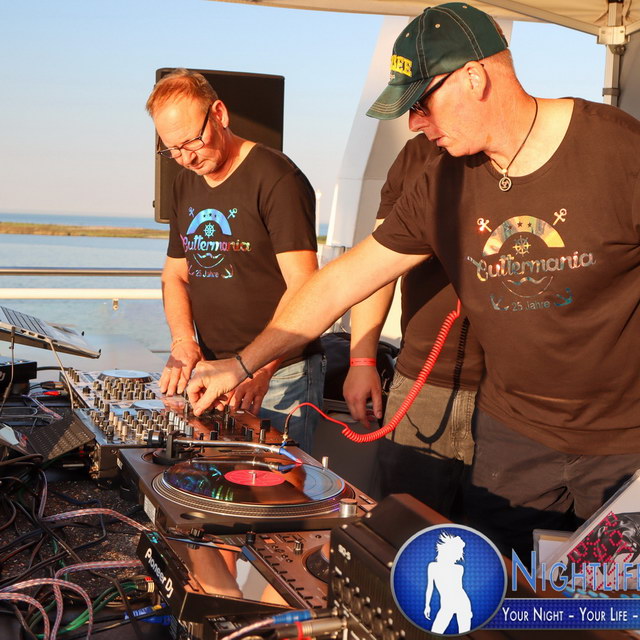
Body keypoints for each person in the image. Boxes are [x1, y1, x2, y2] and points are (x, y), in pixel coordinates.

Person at [185, 3, 640, 558]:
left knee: (615, 594)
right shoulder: (440, 180)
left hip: (624, 442)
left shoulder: (620, 151)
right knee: (502, 591)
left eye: (421, 103)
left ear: (474, 77)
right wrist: (239, 365)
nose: (415, 123)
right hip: (514, 437)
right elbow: (340, 283)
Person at [146, 68, 325, 453]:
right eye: (172, 149)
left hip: (279, 374)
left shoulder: (277, 178)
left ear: (220, 115)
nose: (186, 158)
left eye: (192, 141)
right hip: (212, 371)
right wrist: (183, 342)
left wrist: (260, 367)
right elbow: (175, 274)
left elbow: (305, 288)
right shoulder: (183, 181)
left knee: (282, 484)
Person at [343, 134, 484, 518]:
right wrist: (361, 361)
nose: (413, 121)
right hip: (420, 382)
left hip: (506, 398)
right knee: (399, 526)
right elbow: (377, 266)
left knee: (495, 539)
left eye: (421, 106)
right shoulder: (414, 155)